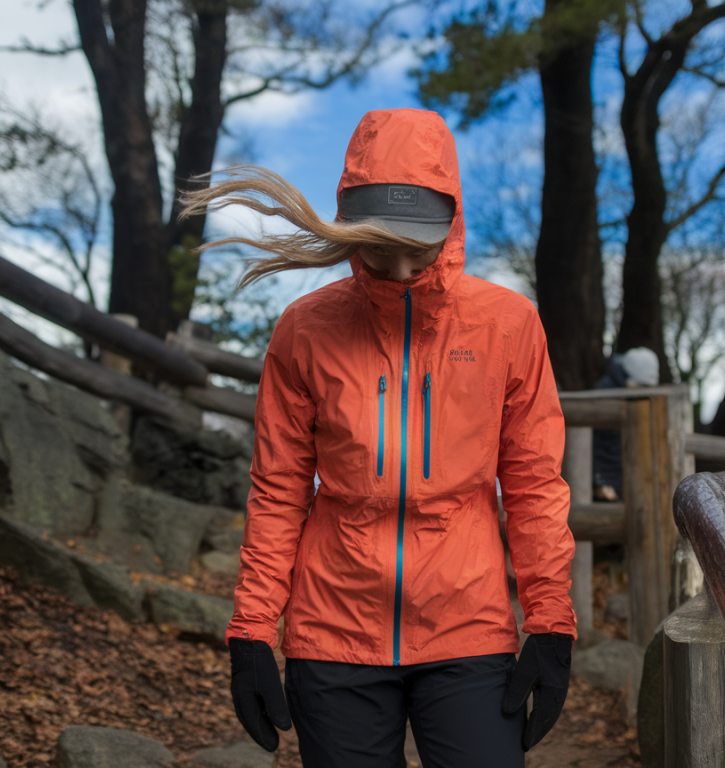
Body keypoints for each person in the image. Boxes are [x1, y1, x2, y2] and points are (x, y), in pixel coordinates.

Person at [182, 108, 576, 768]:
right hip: (331, 634)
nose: (396, 272)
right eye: (375, 249)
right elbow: (278, 490)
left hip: (468, 628)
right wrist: (251, 627)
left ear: (451, 221)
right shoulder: (304, 331)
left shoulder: (509, 326)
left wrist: (550, 620)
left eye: (414, 251)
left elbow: (534, 484)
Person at [592, 347, 659, 501]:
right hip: (606, 476)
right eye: (641, 386)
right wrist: (599, 482)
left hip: (622, 471)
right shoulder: (606, 396)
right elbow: (598, 445)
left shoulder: (622, 393)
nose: (644, 392)